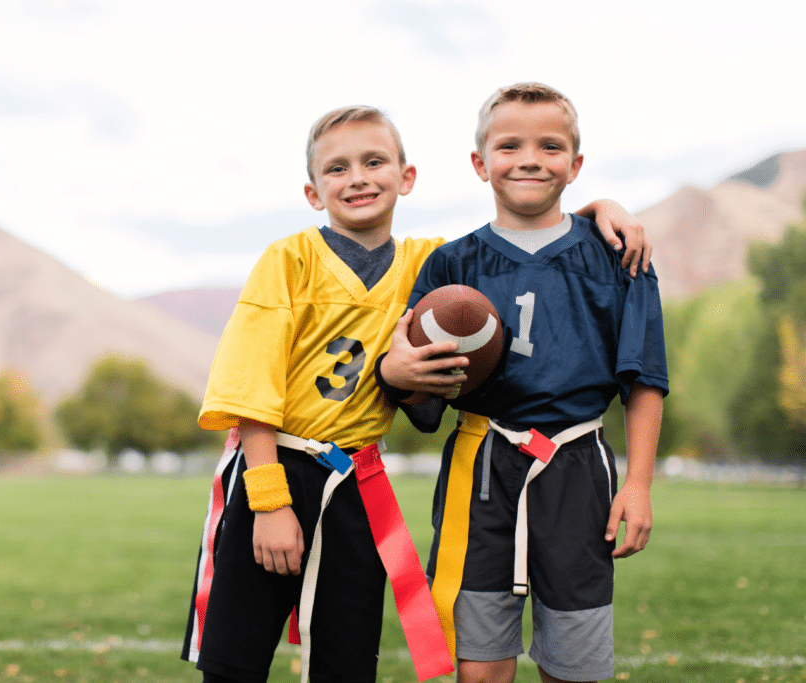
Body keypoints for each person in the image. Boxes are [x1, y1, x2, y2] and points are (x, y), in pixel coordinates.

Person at [182, 103, 652, 683]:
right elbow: (249, 385)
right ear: (312, 192)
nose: (357, 177)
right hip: (273, 466)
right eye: (337, 168)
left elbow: (530, 227)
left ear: (407, 177)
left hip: (357, 479)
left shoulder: (427, 263)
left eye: (374, 161)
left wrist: (601, 209)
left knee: (347, 662)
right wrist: (269, 499)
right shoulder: (288, 260)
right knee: (235, 661)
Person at [377, 83, 669, 683]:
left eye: (551, 146)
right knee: (479, 669)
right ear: (481, 164)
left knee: (575, 667)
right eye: (509, 146)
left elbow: (645, 380)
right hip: (482, 468)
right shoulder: (449, 266)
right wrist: (399, 375)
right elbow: (422, 395)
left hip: (578, 466)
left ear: (576, 165)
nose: (531, 159)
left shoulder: (619, 255)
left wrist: (638, 484)